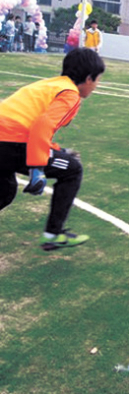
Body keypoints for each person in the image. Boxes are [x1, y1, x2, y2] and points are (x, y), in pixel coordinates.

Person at [0, 48, 105, 251]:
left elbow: (31, 123)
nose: (96, 86)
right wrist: (38, 168)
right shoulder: (70, 94)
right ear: (89, 78)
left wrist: (56, 150)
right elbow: (42, 126)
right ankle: (53, 234)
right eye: (98, 80)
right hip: (10, 141)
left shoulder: (51, 84)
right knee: (73, 170)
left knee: (5, 189)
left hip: (7, 137)